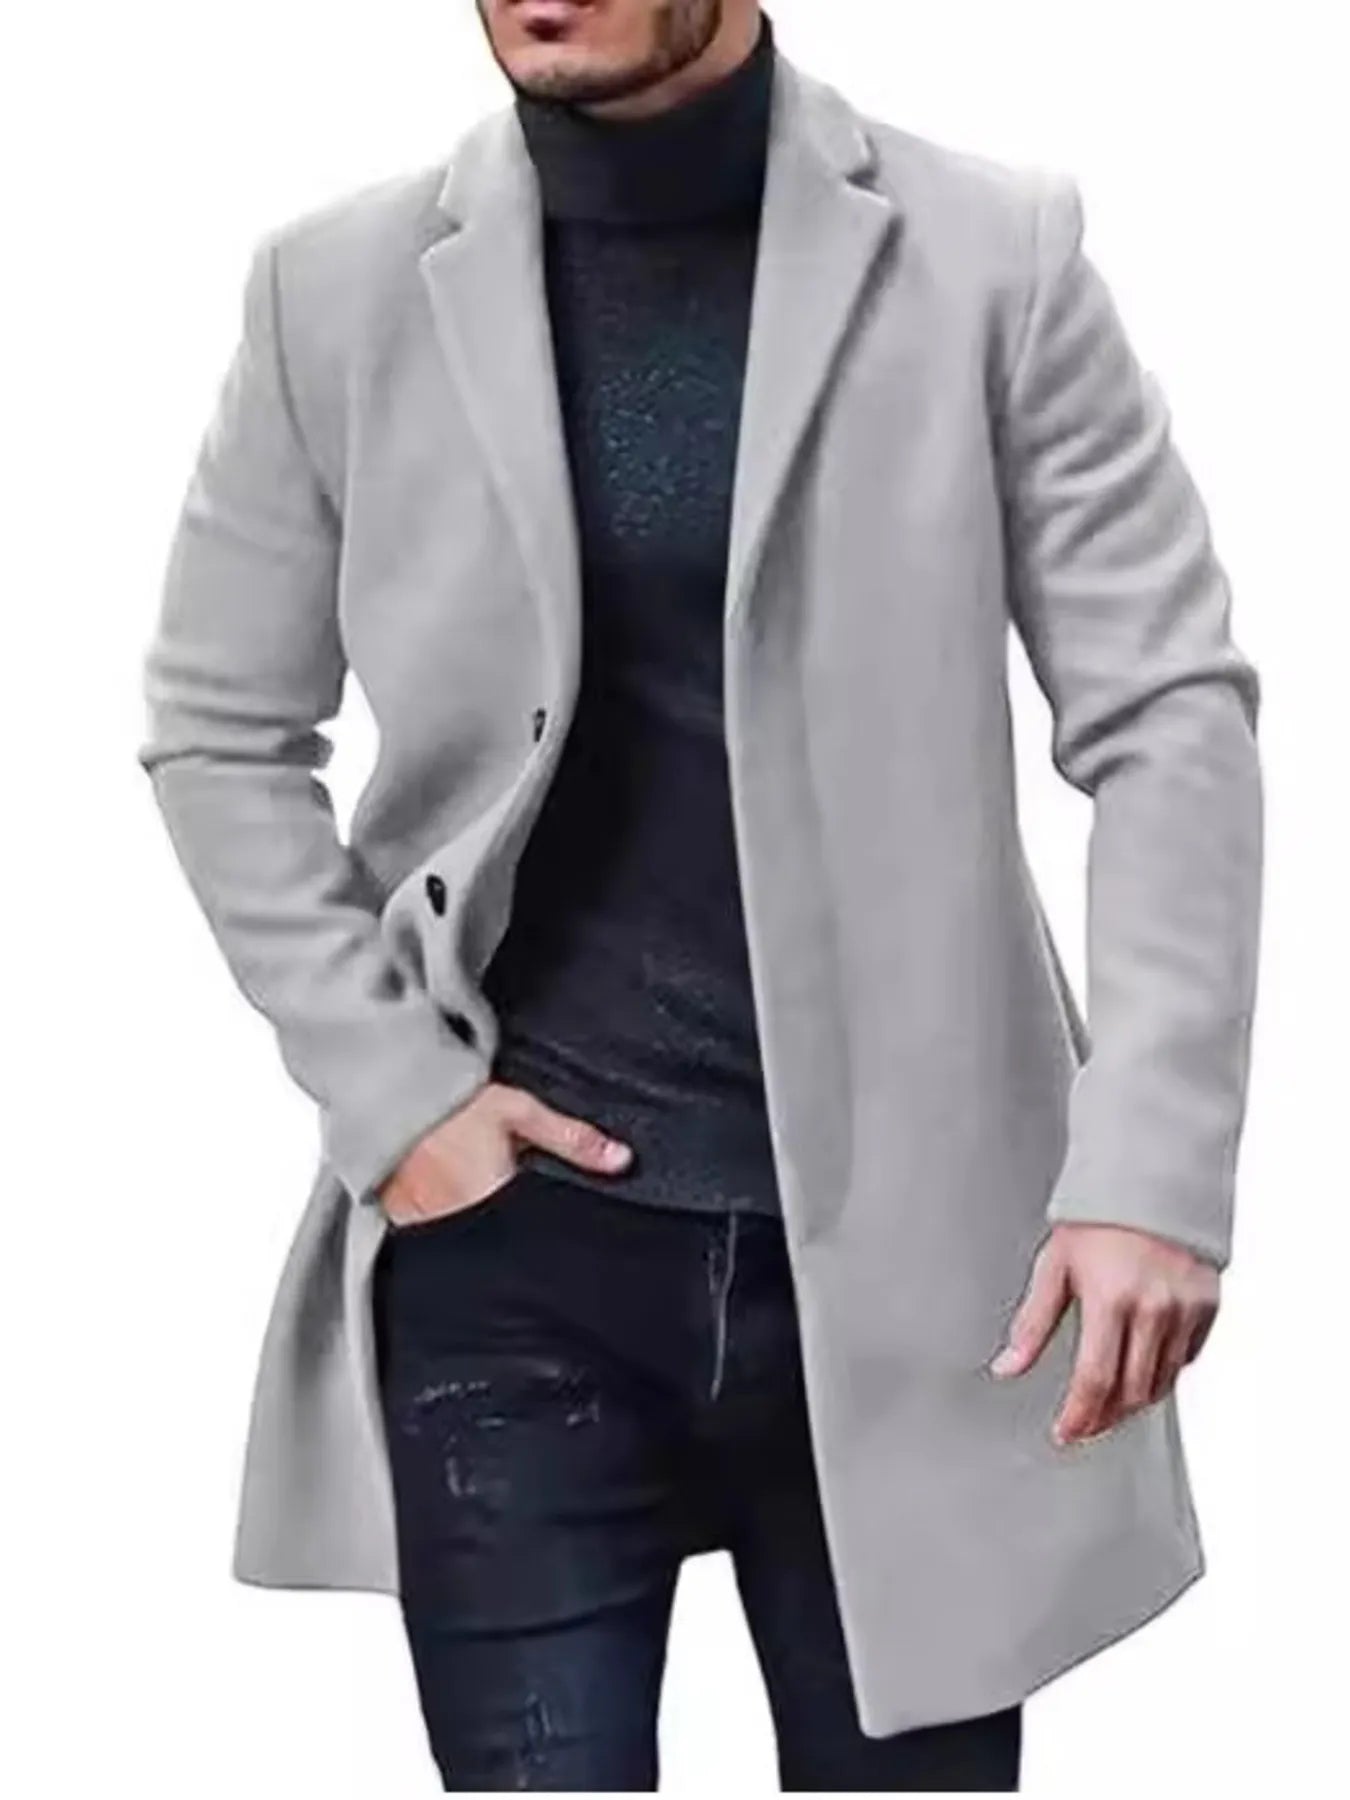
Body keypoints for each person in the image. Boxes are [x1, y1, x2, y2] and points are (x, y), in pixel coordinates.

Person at [135, 0, 1263, 1790]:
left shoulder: (994, 256)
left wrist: (1152, 1169)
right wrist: (394, 1096)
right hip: (514, 1265)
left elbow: (1165, 714)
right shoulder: (331, 290)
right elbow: (215, 729)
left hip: (916, 1267)